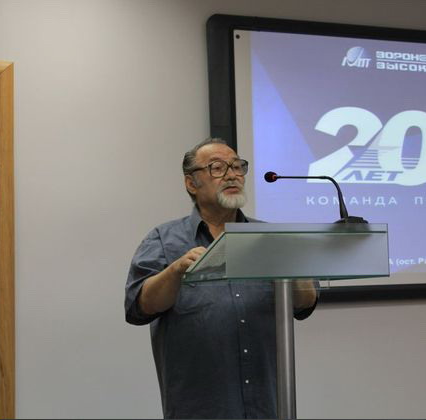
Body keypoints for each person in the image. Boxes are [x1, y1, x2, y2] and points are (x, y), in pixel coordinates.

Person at [124, 138, 317, 419]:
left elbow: (305, 302)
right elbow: (139, 306)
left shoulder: (270, 237)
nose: (232, 175)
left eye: (237, 166)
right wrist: (175, 272)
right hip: (201, 408)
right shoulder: (164, 240)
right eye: (217, 167)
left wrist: (290, 266)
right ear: (191, 183)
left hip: (269, 406)